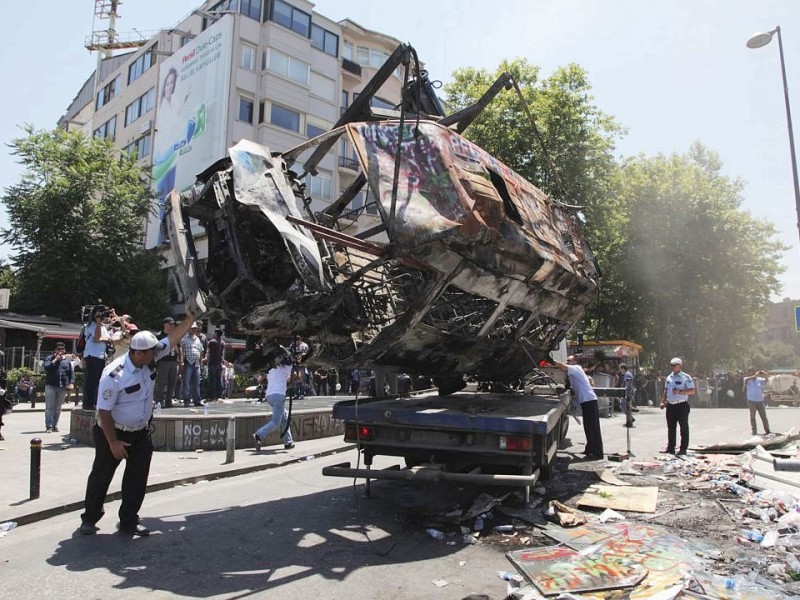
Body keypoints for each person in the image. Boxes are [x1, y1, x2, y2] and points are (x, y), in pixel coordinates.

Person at [79, 312, 195, 537]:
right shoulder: (114, 374)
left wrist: (190, 318)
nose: (155, 356)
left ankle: (129, 522)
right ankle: (90, 518)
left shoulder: (149, 358)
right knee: (101, 476)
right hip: (111, 432)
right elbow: (103, 411)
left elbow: (172, 339)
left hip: (140, 433)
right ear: (138, 353)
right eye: (151, 353)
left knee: (137, 478)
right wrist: (113, 443)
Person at [554, 355, 604, 459]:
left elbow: (562, 366)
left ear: (575, 361)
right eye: (566, 360)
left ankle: (598, 453)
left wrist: (550, 360)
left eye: (569, 360)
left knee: (593, 427)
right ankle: (590, 449)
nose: (567, 361)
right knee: (588, 427)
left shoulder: (576, 368)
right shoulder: (573, 372)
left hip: (589, 400)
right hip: (586, 401)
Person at [252, 350, 295, 451]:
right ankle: (259, 435)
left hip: (270, 396)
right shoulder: (287, 368)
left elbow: (261, 378)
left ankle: (288, 442)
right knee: (276, 421)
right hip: (279, 396)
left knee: (285, 417)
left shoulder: (271, 368)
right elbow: (291, 377)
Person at [659, 357, 695, 455]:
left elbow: (692, 390)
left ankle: (683, 449)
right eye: (671, 365)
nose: (672, 367)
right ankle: (671, 448)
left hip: (681, 405)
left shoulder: (686, 377)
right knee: (671, 427)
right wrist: (663, 401)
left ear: (679, 366)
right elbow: (666, 390)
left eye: (674, 365)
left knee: (683, 427)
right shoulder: (669, 377)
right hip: (670, 405)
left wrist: (681, 391)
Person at [83, 305, 112, 410]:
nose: (102, 316)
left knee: (98, 381)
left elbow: (107, 338)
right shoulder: (90, 324)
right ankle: (87, 403)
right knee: (91, 380)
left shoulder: (103, 326)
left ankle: (95, 402)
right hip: (92, 355)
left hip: (100, 356)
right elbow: (96, 338)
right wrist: (98, 322)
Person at [42, 342, 75, 433]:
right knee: (49, 407)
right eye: (58, 349)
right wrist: (55, 360)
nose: (60, 351)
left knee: (58, 407)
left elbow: (71, 374)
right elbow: (46, 368)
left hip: (62, 387)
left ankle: (54, 425)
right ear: (55, 350)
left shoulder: (67, 361)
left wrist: (71, 383)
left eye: (62, 349)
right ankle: (48, 425)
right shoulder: (49, 358)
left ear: (64, 350)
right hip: (51, 385)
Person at [154, 317, 180, 408]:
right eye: (170, 324)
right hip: (163, 361)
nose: (172, 326)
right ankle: (158, 401)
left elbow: (179, 348)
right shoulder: (159, 336)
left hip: (173, 360)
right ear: (165, 324)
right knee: (161, 382)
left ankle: (168, 401)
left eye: (173, 324)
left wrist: (180, 361)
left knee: (172, 382)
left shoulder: (175, 335)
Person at [179, 322, 205, 407]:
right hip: (188, 363)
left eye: (195, 328)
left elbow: (201, 351)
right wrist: (182, 361)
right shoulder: (184, 338)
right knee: (186, 382)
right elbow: (181, 350)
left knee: (196, 383)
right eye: (192, 328)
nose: (194, 330)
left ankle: (197, 400)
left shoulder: (197, 339)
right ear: (188, 328)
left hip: (196, 363)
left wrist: (201, 363)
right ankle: (186, 400)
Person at [743, 367, 771, 436]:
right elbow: (748, 379)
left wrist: (764, 374)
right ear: (748, 372)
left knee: (764, 417)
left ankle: (767, 430)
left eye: (753, 371)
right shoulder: (746, 379)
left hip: (760, 401)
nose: (752, 372)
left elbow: (767, 380)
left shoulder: (760, 379)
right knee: (753, 416)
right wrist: (755, 375)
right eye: (751, 371)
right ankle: (754, 431)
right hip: (751, 400)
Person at [206, 329, 225, 402]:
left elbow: (208, 351)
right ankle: (220, 394)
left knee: (212, 380)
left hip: (212, 363)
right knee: (219, 379)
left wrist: (206, 359)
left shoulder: (212, 342)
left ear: (216, 334)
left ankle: (212, 395)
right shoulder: (223, 342)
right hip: (219, 363)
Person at [618, 363, 635, 427]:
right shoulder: (626, 374)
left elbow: (628, 384)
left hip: (627, 393)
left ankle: (630, 419)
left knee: (623, 405)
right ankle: (630, 419)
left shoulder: (627, 374)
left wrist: (626, 393)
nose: (620, 370)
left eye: (620, 369)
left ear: (623, 368)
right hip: (627, 393)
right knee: (625, 406)